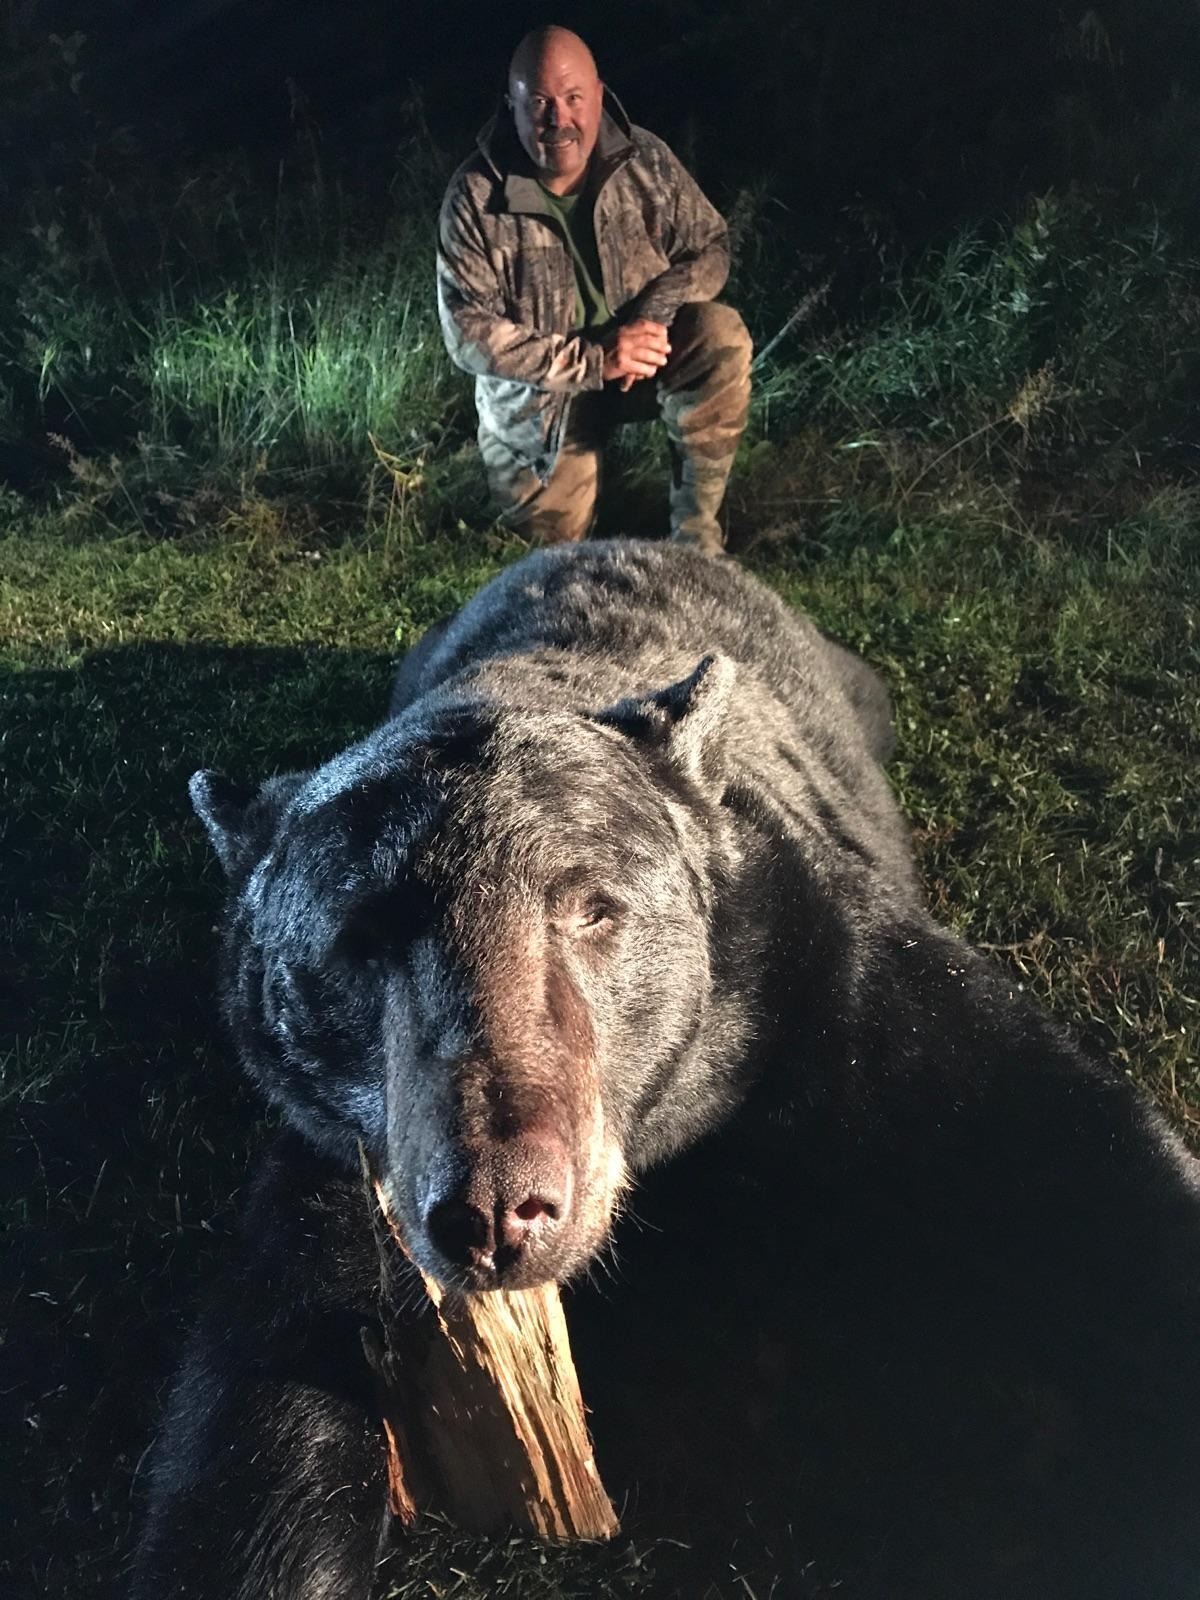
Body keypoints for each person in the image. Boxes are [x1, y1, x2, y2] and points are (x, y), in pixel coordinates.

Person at [436, 25, 752, 555]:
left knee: (719, 334)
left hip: (639, 362)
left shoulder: (643, 159)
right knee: (555, 554)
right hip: (541, 402)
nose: (558, 120)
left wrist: (655, 313)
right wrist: (594, 361)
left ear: (600, 95)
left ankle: (697, 536)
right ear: (512, 107)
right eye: (539, 102)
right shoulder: (475, 198)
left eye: (573, 98)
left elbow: (712, 246)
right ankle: (538, 477)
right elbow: (467, 335)